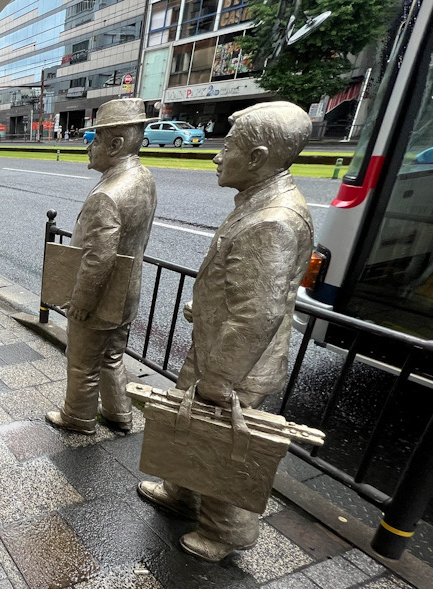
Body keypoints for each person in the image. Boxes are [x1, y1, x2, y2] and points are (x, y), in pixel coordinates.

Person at [137, 102, 314, 562]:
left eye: (228, 146)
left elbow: (256, 316)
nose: (216, 155)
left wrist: (221, 378)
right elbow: (241, 287)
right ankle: (181, 493)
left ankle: (225, 532)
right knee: (192, 425)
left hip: (235, 365)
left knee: (229, 446)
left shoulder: (273, 219)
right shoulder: (258, 202)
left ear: (255, 157)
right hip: (215, 350)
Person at [45, 99, 158, 435]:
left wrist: (81, 303)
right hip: (127, 292)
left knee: (81, 362)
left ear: (116, 144)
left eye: (94, 139)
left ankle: (78, 417)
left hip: (100, 297)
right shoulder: (144, 179)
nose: (89, 147)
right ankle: (119, 413)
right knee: (111, 357)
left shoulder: (107, 194)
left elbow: (98, 259)